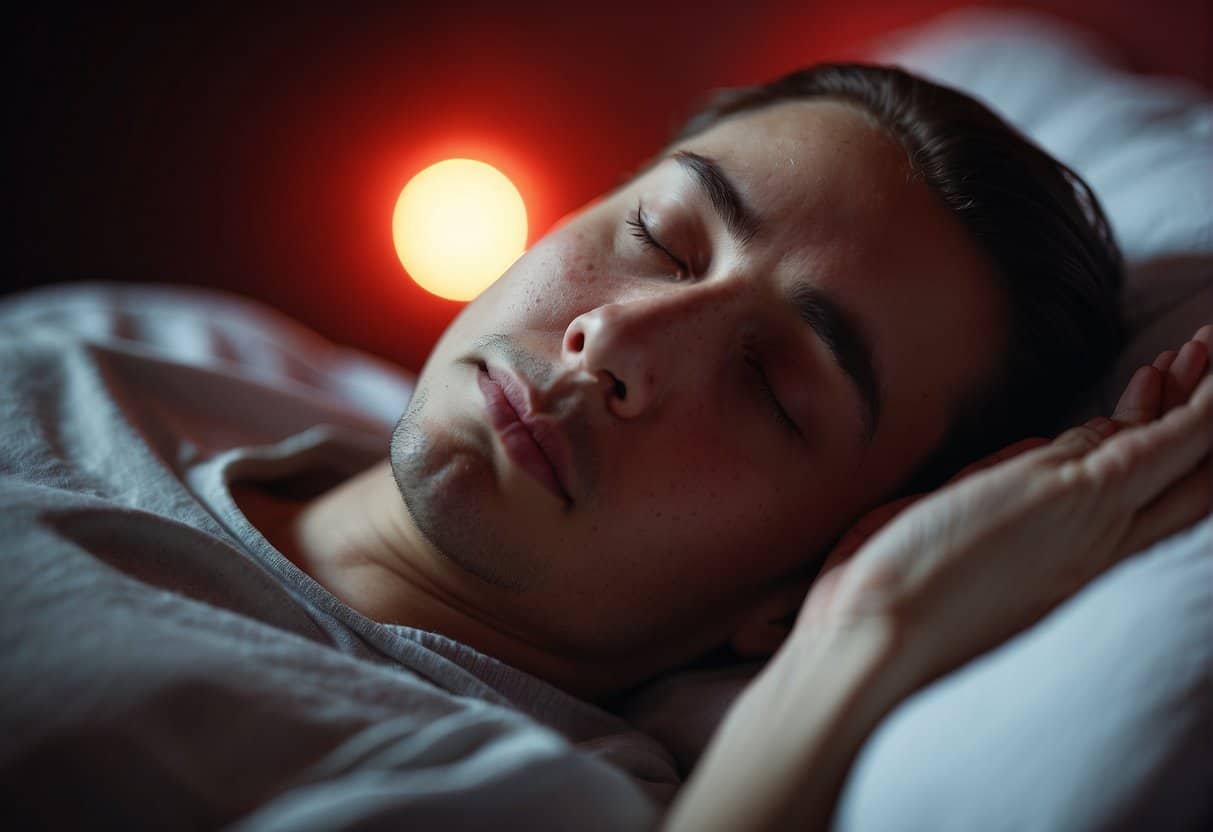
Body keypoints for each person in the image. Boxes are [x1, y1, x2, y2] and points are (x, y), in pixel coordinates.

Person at [0, 63, 1208, 830]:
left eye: (771, 386)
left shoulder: (512, 795)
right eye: (661, 238)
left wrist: (870, 633)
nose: (617, 338)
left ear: (786, 590)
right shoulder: (175, 343)